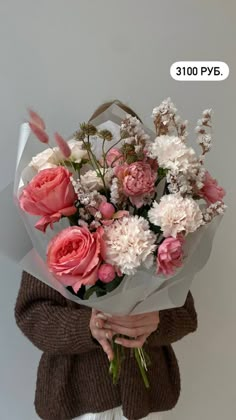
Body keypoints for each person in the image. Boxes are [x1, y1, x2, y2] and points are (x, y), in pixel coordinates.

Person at [15, 100, 198, 420]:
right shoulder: (54, 230)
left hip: (149, 396)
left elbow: (185, 312)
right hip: (76, 398)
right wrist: (87, 327)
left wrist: (155, 322)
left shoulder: (162, 228)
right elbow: (31, 314)